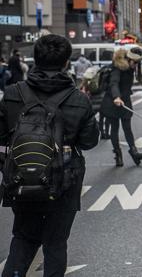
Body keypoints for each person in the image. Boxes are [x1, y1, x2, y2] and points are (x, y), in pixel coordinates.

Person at [0, 34, 99, 277]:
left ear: (35, 59)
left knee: (23, 237)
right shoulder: (78, 99)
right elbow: (89, 141)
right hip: (64, 181)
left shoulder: (13, 94)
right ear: (66, 62)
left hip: (22, 178)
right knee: (55, 243)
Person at [100, 47, 142, 167]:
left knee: (127, 128)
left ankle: (134, 153)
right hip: (113, 102)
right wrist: (116, 97)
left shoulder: (131, 67)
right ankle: (118, 156)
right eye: (134, 62)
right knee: (114, 129)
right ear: (129, 58)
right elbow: (114, 83)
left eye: (137, 63)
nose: (135, 65)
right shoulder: (117, 67)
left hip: (125, 101)